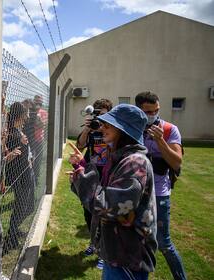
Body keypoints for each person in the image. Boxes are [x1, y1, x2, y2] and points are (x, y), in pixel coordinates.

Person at [69, 104, 157, 280]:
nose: (102, 127)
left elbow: (107, 206)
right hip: (118, 253)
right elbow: (102, 191)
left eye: (109, 124)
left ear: (124, 130)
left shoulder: (134, 163)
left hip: (128, 258)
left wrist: (82, 177)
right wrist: (82, 168)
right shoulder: (119, 157)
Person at [135, 91, 186, 280]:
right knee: (138, 241)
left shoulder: (169, 129)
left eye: (156, 111)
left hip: (160, 194)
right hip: (137, 193)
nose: (153, 115)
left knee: (164, 243)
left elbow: (176, 162)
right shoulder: (132, 129)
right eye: (148, 112)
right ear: (139, 110)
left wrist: (160, 141)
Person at [75, 98, 113, 269]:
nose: (100, 118)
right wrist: (88, 129)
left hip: (108, 174)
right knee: (89, 211)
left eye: (103, 114)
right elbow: (80, 145)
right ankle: (93, 243)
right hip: (91, 174)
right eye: (97, 113)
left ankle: (103, 252)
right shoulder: (90, 128)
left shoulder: (113, 130)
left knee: (104, 214)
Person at [3, 102, 36, 253]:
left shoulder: (18, 130)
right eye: (26, 113)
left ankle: (14, 230)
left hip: (26, 171)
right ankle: (11, 236)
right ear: (20, 115)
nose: (28, 116)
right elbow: (9, 152)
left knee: (29, 205)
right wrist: (20, 142)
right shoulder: (12, 133)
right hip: (19, 174)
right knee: (21, 205)